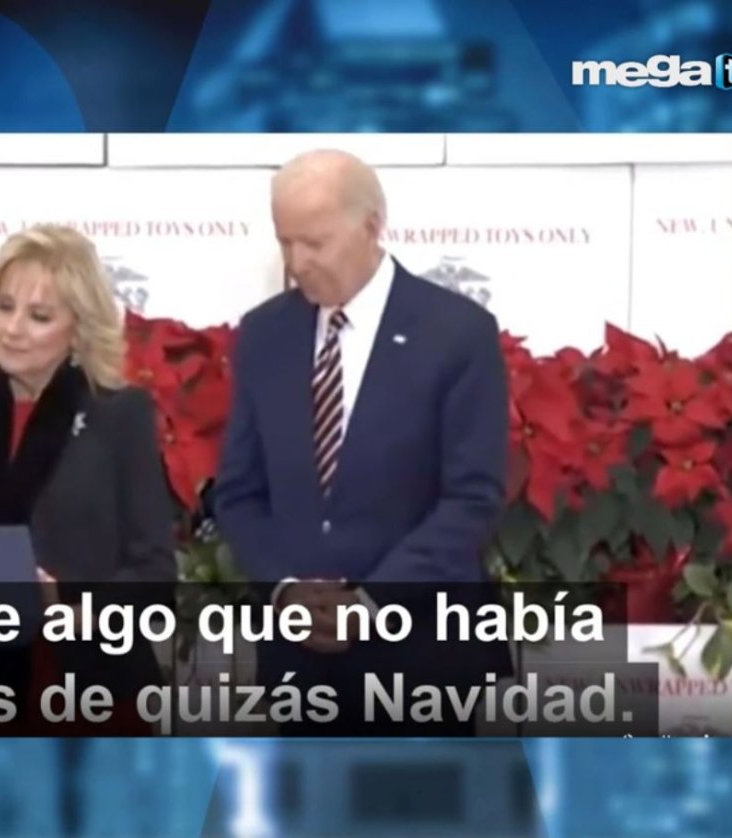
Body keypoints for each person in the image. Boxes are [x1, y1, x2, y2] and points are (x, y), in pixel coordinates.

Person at [213, 149, 512, 735]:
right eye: (285, 242)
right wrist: (286, 592)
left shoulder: (457, 333)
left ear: (372, 226)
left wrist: (372, 604)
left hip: (423, 659)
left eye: (314, 243)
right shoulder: (265, 335)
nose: (296, 263)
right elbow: (239, 493)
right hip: (299, 666)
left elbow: (471, 498)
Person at [0, 222, 175, 734]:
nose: (12, 328)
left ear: (78, 327)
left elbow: (155, 575)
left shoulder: (118, 414)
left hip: (85, 688)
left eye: (39, 316)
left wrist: (70, 611)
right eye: (5, 307)